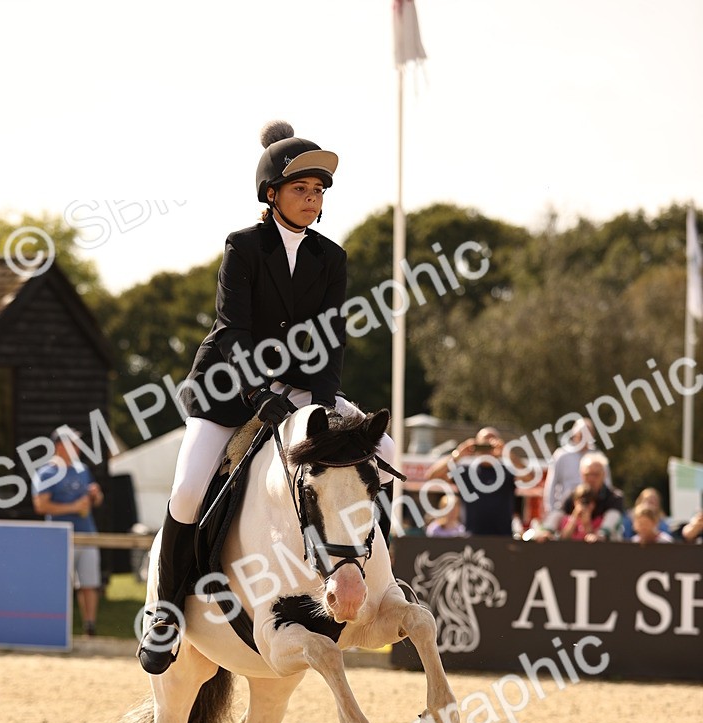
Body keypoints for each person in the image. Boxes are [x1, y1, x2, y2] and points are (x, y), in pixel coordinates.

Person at [137, 119, 396, 674]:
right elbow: (233, 329)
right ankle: (164, 613)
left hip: (304, 389)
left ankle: (380, 584)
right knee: (186, 491)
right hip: (230, 386)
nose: (311, 199)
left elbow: (331, 337)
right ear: (272, 194)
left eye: (318, 191)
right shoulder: (244, 247)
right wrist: (259, 394)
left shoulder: (332, 258)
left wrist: (321, 406)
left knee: (389, 452)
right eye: (301, 190)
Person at [32, 428, 104, 636]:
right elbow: (41, 506)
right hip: (60, 538)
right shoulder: (46, 472)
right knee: (60, 585)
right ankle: (56, 629)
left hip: (88, 534)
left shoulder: (82, 469)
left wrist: (95, 495)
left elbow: (96, 502)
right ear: (60, 446)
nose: (79, 448)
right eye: (75, 443)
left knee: (90, 583)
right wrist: (74, 507)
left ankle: (90, 627)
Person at [425, 427, 521, 537]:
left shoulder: (507, 471)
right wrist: (458, 454)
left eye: (491, 444)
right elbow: (432, 476)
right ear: (476, 445)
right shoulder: (466, 472)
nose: (487, 448)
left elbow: (530, 477)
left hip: (503, 537)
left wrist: (508, 454)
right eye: (483, 444)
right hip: (472, 538)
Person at [532, 452, 624, 542]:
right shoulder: (572, 495)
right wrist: (547, 530)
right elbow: (558, 513)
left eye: (596, 474)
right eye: (587, 474)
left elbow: (612, 519)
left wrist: (601, 534)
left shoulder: (614, 497)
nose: (591, 479)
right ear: (581, 474)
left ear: (604, 475)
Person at [542, 417, 611, 514]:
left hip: (593, 511)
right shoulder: (561, 455)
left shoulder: (598, 456)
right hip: (564, 510)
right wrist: (550, 509)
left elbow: (607, 483)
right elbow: (551, 484)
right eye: (581, 435)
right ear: (574, 435)